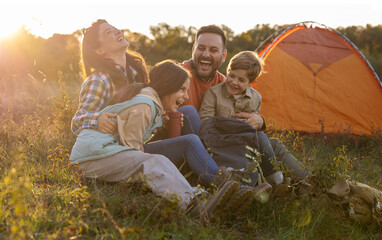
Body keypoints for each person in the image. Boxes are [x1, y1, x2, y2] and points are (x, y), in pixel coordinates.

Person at [69, 60, 243, 220]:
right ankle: (193, 205)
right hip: (91, 159)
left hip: (101, 152)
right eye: (182, 90)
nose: (185, 96)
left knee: (157, 160)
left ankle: (202, 196)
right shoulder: (145, 105)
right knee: (153, 162)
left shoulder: (148, 102)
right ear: (168, 86)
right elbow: (132, 147)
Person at [181, 25, 308, 180]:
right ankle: (271, 180)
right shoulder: (179, 76)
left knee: (270, 143)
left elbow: (249, 117)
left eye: (213, 50)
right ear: (193, 49)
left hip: (232, 141)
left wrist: (260, 121)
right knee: (258, 145)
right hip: (204, 145)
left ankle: (309, 181)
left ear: (223, 55)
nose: (206, 54)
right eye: (201, 48)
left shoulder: (225, 82)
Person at [71, 19, 149, 136]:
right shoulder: (99, 80)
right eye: (108, 32)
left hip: (137, 143)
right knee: (187, 142)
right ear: (99, 50)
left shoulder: (135, 73)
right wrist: (98, 120)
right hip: (115, 148)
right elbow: (77, 122)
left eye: (115, 28)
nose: (117, 31)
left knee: (186, 112)